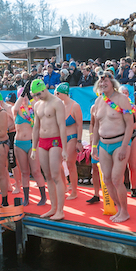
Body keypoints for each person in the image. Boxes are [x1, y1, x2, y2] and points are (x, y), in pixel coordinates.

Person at [91, 72, 135, 223]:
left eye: (106, 82)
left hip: (120, 142)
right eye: (101, 83)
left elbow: (130, 124)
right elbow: (96, 125)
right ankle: (119, 208)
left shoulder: (122, 99)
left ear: (112, 83)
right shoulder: (98, 101)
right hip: (103, 143)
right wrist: (94, 145)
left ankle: (125, 211)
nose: (103, 84)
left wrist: (124, 146)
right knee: (107, 179)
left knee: (117, 179)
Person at [31, 79, 68, 220]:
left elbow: (62, 126)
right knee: (48, 176)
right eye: (35, 95)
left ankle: (60, 210)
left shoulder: (57, 103)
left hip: (55, 141)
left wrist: (64, 148)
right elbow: (35, 127)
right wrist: (34, 148)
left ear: (44, 89)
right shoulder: (37, 105)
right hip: (42, 141)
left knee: (56, 175)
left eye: (38, 94)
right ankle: (53, 207)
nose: (37, 97)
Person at [12, 88, 47, 206]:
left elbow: (37, 105)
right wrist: (22, 95)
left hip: (32, 144)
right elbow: (15, 108)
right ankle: (26, 197)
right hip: (19, 144)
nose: (25, 99)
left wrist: (30, 97)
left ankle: (43, 196)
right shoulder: (17, 110)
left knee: (36, 171)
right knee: (24, 172)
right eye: (23, 97)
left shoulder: (34, 109)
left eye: (27, 96)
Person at [54, 83, 83, 200]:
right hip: (61, 138)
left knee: (70, 164)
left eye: (56, 93)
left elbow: (80, 125)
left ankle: (74, 191)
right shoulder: (59, 106)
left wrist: (79, 141)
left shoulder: (74, 106)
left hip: (72, 137)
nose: (55, 95)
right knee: (57, 162)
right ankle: (65, 185)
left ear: (62, 93)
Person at [119, 86, 136, 197]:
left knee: (133, 165)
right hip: (119, 138)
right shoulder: (114, 108)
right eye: (122, 93)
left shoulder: (134, 107)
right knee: (120, 166)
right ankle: (121, 189)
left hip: (132, 137)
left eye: (126, 93)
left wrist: (129, 127)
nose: (124, 94)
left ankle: (133, 189)